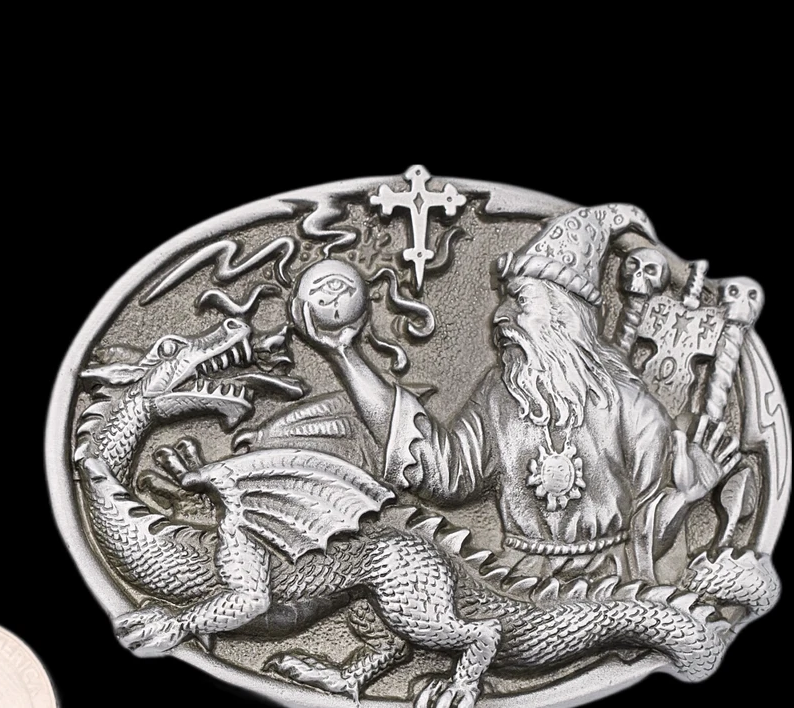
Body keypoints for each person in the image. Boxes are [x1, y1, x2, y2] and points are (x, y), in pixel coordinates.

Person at [293, 204, 739, 582]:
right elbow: (443, 472)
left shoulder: (635, 410)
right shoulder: (498, 395)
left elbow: (650, 539)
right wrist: (345, 356)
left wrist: (686, 498)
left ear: (563, 314)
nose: (500, 316)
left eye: (520, 301)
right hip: (516, 584)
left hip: (609, 588)